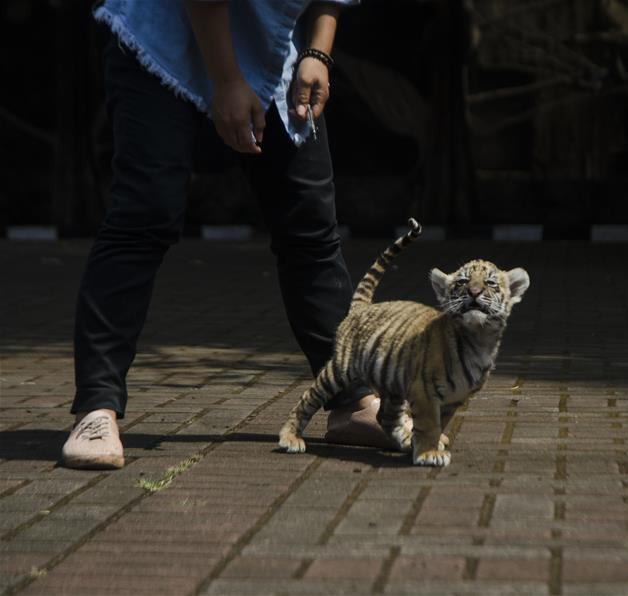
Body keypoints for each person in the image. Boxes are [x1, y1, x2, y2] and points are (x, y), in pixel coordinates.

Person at [62, 0, 390, 470]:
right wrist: (228, 81)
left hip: (274, 51)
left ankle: (352, 400)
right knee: (145, 214)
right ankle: (96, 409)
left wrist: (318, 54)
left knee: (310, 225)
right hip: (165, 34)